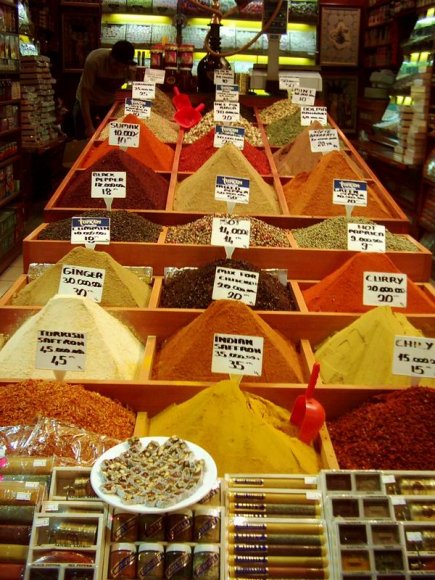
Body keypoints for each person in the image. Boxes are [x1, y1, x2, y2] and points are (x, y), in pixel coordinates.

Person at [73, 40, 136, 139]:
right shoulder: (94, 60)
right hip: (88, 102)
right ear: (110, 54)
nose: (117, 69)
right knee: (83, 138)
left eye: (121, 66)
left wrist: (132, 77)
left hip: (108, 103)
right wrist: (89, 126)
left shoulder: (129, 68)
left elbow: (131, 89)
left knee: (109, 138)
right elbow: (85, 94)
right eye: (115, 63)